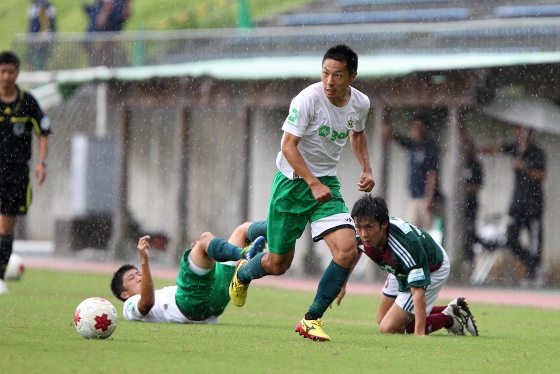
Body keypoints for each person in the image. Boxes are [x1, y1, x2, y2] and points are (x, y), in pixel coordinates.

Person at [228, 44, 375, 342]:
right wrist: (312, 182)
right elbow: (288, 146)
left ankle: (311, 319)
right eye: (325, 73)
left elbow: (356, 133)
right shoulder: (307, 99)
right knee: (278, 264)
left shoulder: (360, 103)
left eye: (337, 75)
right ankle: (244, 272)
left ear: (352, 77)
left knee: (348, 249)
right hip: (292, 184)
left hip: (326, 184)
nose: (329, 81)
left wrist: (366, 168)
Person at [351, 194, 479, 336]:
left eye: (369, 227)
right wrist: (342, 285)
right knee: (383, 318)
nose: (364, 234)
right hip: (401, 267)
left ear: (384, 224)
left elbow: (417, 290)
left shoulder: (406, 245)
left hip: (432, 268)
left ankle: (447, 318)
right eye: (359, 227)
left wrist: (419, 334)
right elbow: (353, 250)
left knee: (389, 328)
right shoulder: (360, 233)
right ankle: (453, 309)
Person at [110, 221, 267, 323]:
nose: (139, 277)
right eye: (132, 277)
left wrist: (199, 256)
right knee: (205, 239)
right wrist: (144, 261)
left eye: (138, 273)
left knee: (243, 230)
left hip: (215, 302)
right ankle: (243, 255)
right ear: (124, 294)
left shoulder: (157, 293)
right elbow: (146, 304)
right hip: (189, 304)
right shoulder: (129, 306)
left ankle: (283, 231)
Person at [0, 51, 51, 294]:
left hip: (16, 173)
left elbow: (43, 132)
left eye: (10, 71)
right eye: (2, 71)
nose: (6, 76)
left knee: (6, 228)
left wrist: (42, 162)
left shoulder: (28, 102)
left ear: (17, 73)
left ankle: (0, 278)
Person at [477, 125, 546, 284]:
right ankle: (532, 264)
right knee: (510, 238)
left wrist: (525, 167)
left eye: (520, 130)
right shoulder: (515, 148)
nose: (516, 133)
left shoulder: (537, 152)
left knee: (535, 242)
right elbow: (497, 149)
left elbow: (541, 175)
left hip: (533, 204)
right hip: (517, 204)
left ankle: (533, 273)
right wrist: (475, 150)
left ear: (527, 132)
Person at [381, 117, 442, 231]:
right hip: (414, 197)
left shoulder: (429, 147)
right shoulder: (413, 145)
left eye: (419, 127)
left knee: (428, 232)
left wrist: (429, 196)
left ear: (425, 129)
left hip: (426, 198)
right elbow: (399, 139)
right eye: (413, 127)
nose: (415, 130)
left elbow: (432, 173)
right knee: (410, 230)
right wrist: (388, 131)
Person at [83, 0, 132, 66]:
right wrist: (107, 7)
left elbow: (124, 16)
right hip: (99, 40)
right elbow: (100, 22)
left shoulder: (118, 5)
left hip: (110, 42)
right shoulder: (100, 6)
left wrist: (127, 3)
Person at [462, 135, 484, 264]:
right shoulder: (459, 164)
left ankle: (469, 258)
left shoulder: (476, 165)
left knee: (470, 230)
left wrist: (466, 189)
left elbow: (478, 185)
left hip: (471, 204)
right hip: (459, 205)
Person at [27, 0, 57, 71]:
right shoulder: (35, 6)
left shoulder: (43, 6)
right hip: (36, 38)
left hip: (41, 39)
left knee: (41, 58)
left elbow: (46, 23)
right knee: (36, 59)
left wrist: (40, 37)